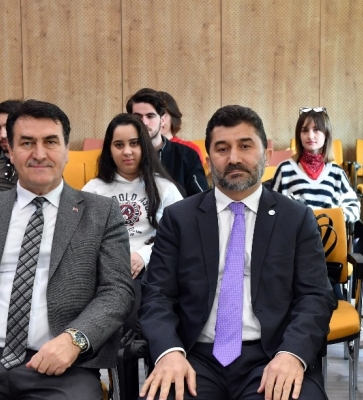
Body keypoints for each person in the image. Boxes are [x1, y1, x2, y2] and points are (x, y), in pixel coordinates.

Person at [0, 100, 134, 400]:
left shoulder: (101, 213)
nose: (39, 154)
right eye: (27, 143)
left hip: (62, 361)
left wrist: (74, 340)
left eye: (50, 142)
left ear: (66, 150)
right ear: (10, 150)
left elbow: (118, 291)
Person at [138, 105, 335, 400]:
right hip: (193, 356)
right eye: (222, 149)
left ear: (267, 155)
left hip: (272, 354)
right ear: (208, 160)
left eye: (245, 146)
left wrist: (292, 354)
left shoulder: (295, 218)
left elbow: (316, 297)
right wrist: (169, 352)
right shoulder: (180, 219)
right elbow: (157, 295)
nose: (233, 159)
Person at [82, 113, 183, 330]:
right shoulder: (93, 189)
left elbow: (180, 237)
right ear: (109, 149)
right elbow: (83, 239)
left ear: (144, 147)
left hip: (152, 268)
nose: (127, 151)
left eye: (134, 143)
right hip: (106, 270)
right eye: (119, 145)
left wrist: (144, 256)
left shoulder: (165, 188)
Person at [270, 107, 360, 223]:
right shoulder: (284, 169)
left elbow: (354, 208)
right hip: (294, 234)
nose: (310, 136)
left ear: (326, 134)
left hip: (329, 233)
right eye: (304, 130)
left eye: (316, 130)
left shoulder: (337, 173)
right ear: (299, 135)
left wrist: (335, 217)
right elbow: (271, 209)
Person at [126, 88, 208, 197]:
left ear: (163, 119)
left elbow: (201, 198)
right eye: (138, 117)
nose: (144, 122)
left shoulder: (187, 155)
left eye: (150, 116)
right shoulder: (123, 155)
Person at [159, 91, 204, 163]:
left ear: (173, 117)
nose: (157, 120)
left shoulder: (191, 149)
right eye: (150, 116)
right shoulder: (141, 149)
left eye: (162, 114)